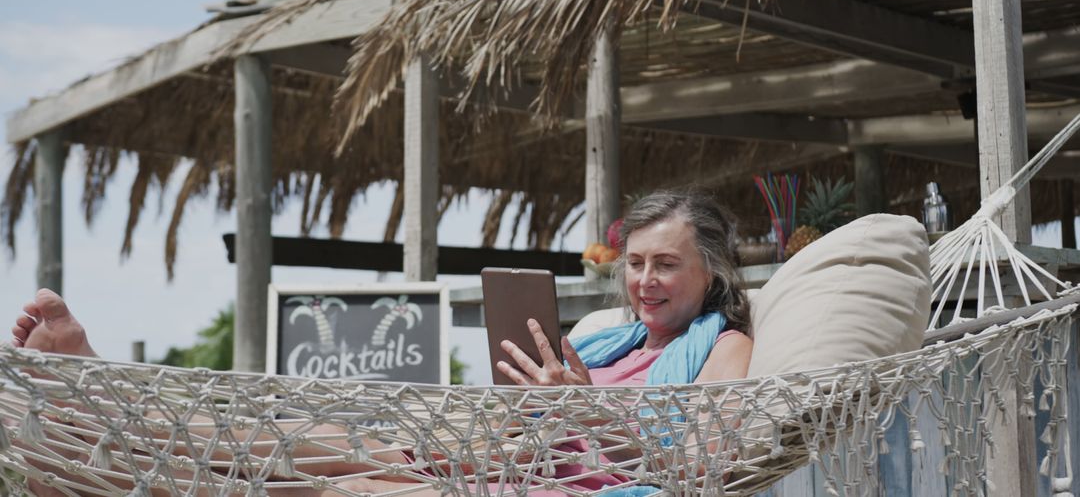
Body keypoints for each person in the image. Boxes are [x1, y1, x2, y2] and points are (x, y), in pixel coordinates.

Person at [10, 188, 753, 496]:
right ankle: (94, 406)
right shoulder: (603, 342)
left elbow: (706, 474)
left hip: (521, 486)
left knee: (330, 483)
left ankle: (93, 423)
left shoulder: (724, 348)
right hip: (473, 457)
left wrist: (585, 412)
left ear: (710, 270)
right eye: (636, 264)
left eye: (667, 265)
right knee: (284, 437)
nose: (646, 281)